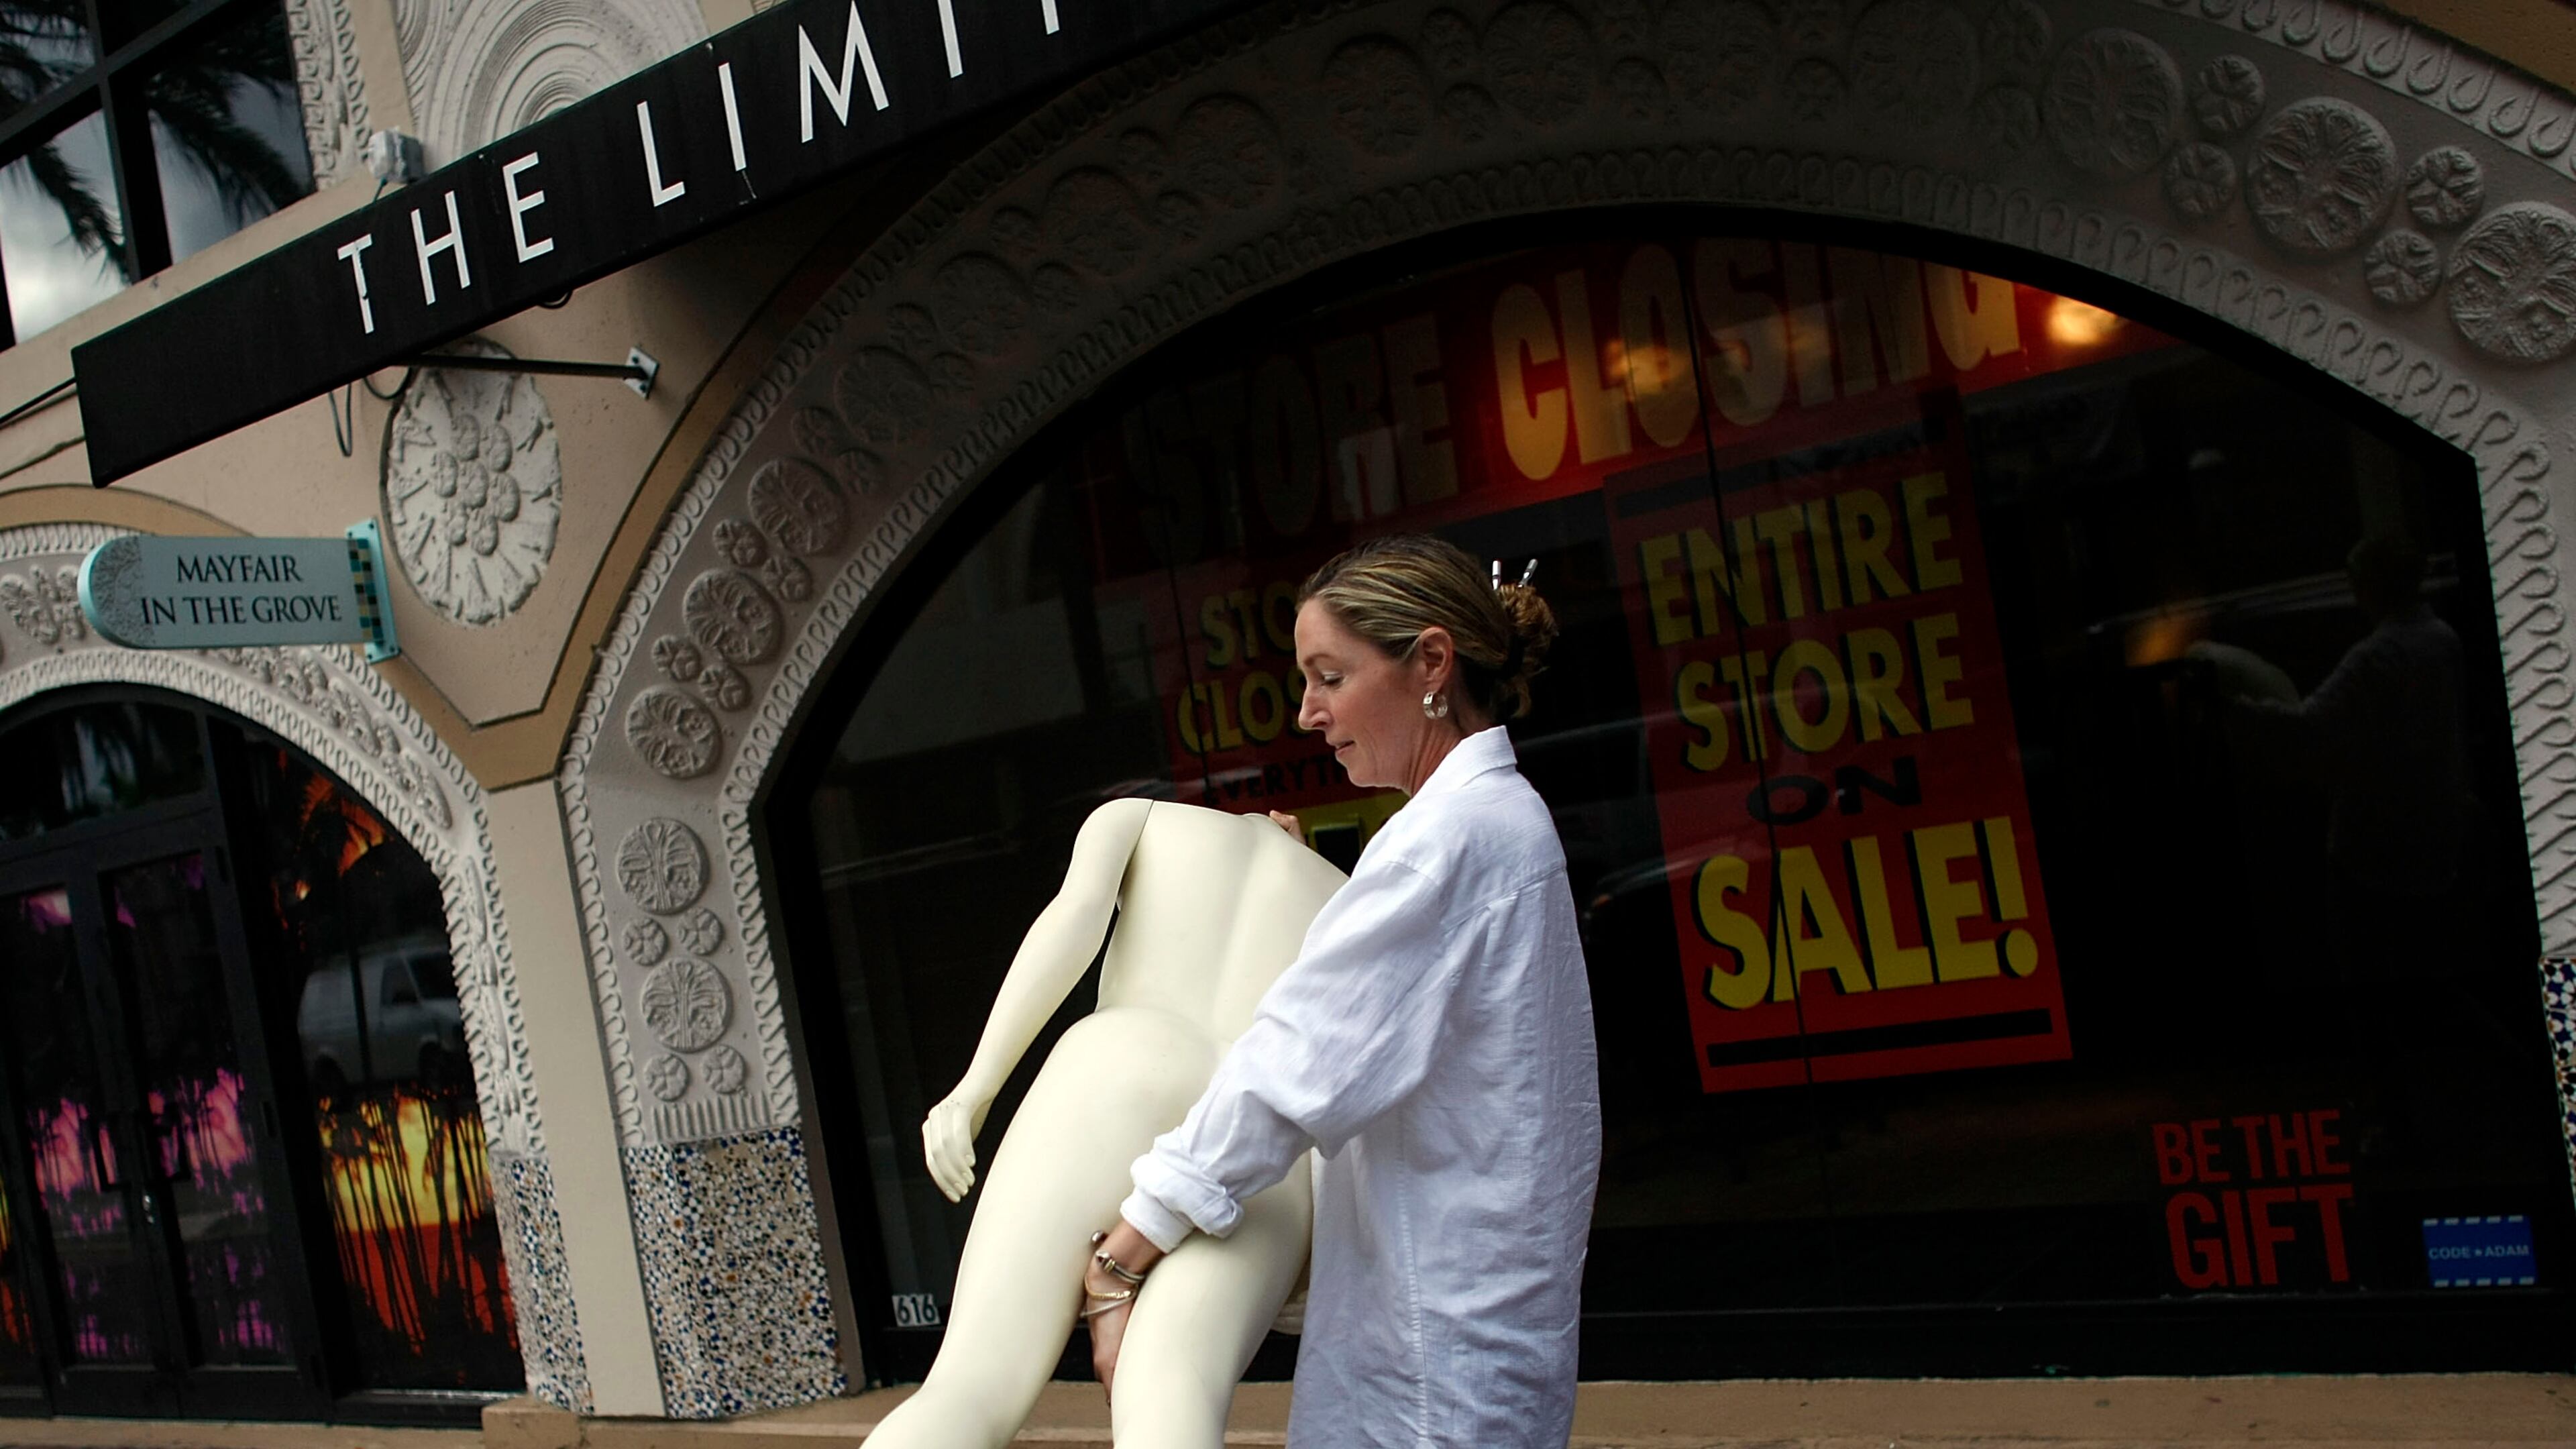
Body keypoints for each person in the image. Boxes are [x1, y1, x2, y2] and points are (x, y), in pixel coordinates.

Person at [1085, 534, 1604, 1449]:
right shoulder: (1484, 827)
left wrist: (1127, 1247)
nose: (1308, 713)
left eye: (1330, 676)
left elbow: (1299, 1060)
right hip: (1466, 1331)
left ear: (1432, 663)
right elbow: (1374, 1015)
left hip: (1433, 1360)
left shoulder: (1444, 844)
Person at [863, 796, 1346, 1449]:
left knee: (973, 1385)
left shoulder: (1143, 816)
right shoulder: (1350, 899)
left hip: (1122, 1063)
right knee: (1175, 1391)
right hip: (1253, 1124)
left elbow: (1075, 921)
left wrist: (974, 1089)